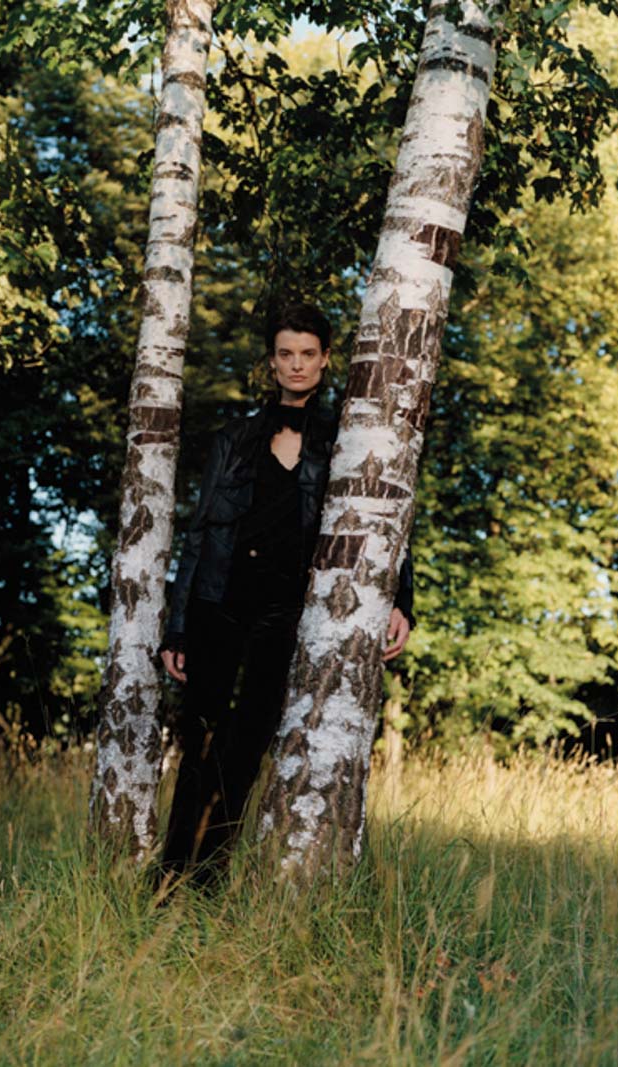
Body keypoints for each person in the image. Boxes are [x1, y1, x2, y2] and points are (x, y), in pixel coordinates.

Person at [155, 303, 414, 887]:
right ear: (271, 363)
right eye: (285, 354)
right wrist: (177, 627)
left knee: (247, 745)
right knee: (200, 741)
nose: (296, 365)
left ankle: (208, 880)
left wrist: (401, 598)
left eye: (307, 354)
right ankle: (168, 879)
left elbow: (385, 521)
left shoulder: (345, 440)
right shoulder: (234, 438)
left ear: (325, 360)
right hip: (218, 604)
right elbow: (199, 533)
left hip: (285, 614)